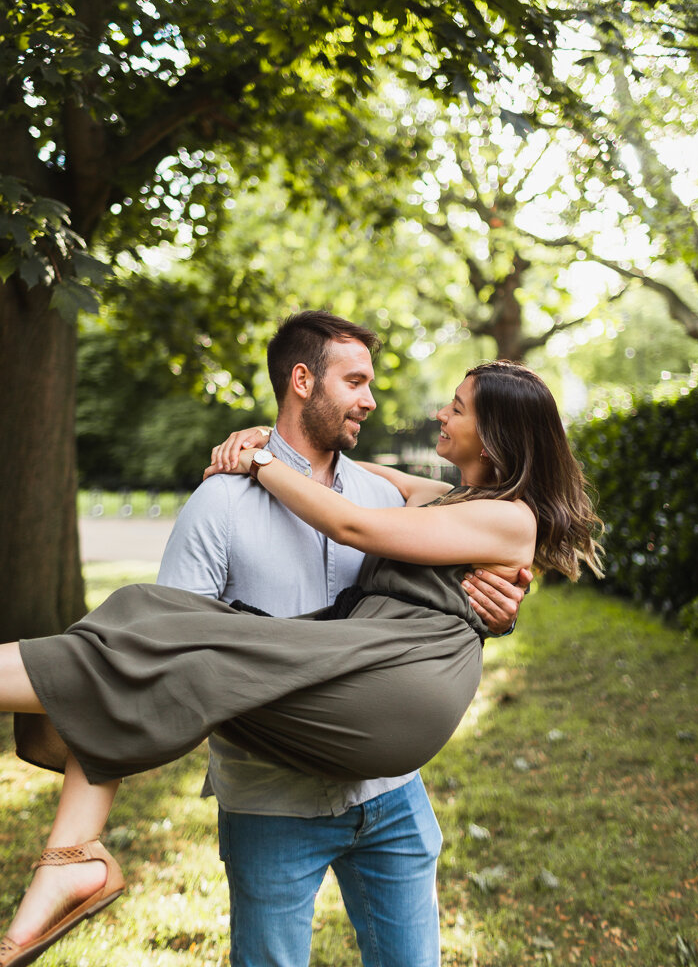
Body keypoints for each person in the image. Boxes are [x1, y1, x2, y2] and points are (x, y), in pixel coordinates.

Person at [0, 354, 602, 967]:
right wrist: (267, 442)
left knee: (155, 642)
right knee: (146, 627)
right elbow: (365, 482)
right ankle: (71, 857)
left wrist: (264, 463)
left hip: (387, 733)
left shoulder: (507, 516)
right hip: (285, 784)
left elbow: (353, 527)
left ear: (497, 429)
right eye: (356, 383)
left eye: (457, 406)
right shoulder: (440, 496)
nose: (436, 412)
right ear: (302, 380)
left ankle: (71, 856)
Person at [153, 311, 527, 967]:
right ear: (303, 380)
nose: (372, 399)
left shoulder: (386, 498)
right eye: (355, 381)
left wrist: (499, 606)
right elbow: (168, 644)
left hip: (391, 796)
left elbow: (448, 596)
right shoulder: (221, 504)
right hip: (272, 799)